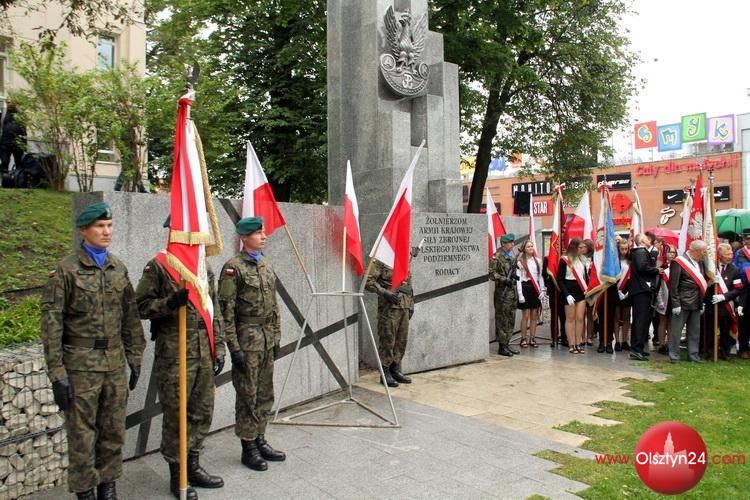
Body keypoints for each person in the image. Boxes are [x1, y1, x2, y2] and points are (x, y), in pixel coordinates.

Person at [40, 202, 145, 500]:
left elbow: (131, 316)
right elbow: (51, 326)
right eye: (100, 226)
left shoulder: (118, 267)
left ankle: (107, 487)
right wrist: (57, 373)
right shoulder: (65, 271)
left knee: (112, 430)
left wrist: (134, 356)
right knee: (82, 435)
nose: (106, 231)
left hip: (113, 364)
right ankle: (85, 492)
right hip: (80, 367)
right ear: (84, 230)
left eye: (109, 225)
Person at [135, 217, 225, 499]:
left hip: (203, 352)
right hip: (175, 355)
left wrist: (219, 346)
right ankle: (178, 474)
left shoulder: (203, 267)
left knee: (202, 411)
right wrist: (169, 305)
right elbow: (140, 306)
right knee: (177, 415)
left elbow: (214, 310)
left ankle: (194, 463)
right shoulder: (160, 265)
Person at [218, 217, 286, 472]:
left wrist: (277, 336)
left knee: (265, 393)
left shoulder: (266, 264)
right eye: (258, 233)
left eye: (263, 232)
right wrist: (234, 348)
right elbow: (226, 311)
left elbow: (275, 306)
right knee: (247, 395)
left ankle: (261, 438)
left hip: (267, 339)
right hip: (247, 341)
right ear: (244, 238)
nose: (263, 236)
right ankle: (248, 447)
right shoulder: (232, 268)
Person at [366, 245, 417, 387]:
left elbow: (408, 285)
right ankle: (385, 371)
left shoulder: (403, 258)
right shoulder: (381, 257)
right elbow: (368, 281)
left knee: (401, 339)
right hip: (388, 308)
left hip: (404, 306)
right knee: (388, 339)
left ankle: (395, 369)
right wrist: (385, 293)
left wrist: (411, 304)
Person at [668, 240, 709, 364]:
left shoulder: (700, 263)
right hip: (682, 302)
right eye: (704, 251)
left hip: (696, 301)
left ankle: (693, 355)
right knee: (676, 331)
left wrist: (701, 302)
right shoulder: (679, 262)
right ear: (696, 251)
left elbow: (700, 284)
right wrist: (675, 303)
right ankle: (674, 356)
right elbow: (673, 285)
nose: (705, 254)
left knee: (694, 331)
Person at [628, 233, 662, 361]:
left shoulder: (641, 252)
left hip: (642, 289)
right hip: (641, 290)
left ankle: (638, 348)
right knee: (640, 320)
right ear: (642, 240)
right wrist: (656, 270)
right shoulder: (641, 252)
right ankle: (636, 349)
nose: (650, 241)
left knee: (642, 320)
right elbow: (643, 267)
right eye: (647, 239)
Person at [710, 243, 744, 360]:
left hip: (726, 306)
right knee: (710, 329)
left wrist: (724, 296)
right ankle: (710, 351)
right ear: (719, 255)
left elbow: (738, 289)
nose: (730, 256)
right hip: (712, 305)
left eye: (731, 254)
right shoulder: (712, 267)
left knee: (725, 330)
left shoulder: (735, 270)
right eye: (727, 254)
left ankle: (725, 352)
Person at [489, 234, 520, 356]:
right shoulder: (496, 258)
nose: (512, 244)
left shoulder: (511, 258)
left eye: (512, 242)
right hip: (502, 294)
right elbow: (491, 274)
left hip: (512, 293)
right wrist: (504, 279)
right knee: (502, 320)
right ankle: (502, 347)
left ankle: (507, 343)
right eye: (509, 242)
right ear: (503, 244)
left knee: (511, 319)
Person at [557, 238, 588, 354]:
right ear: (574, 248)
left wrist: (587, 289)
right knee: (570, 319)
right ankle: (571, 344)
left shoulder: (583, 260)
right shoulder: (564, 260)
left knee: (580, 318)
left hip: (580, 291)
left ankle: (578, 343)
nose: (583, 250)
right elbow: (559, 279)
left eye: (584, 247)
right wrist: (567, 294)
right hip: (569, 291)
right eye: (580, 247)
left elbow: (585, 277)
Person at [516, 239, 545, 348]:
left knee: (534, 315)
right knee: (526, 316)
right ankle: (523, 338)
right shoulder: (520, 261)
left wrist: (542, 290)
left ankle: (532, 338)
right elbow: (518, 279)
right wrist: (520, 294)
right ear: (524, 249)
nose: (531, 248)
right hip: (525, 287)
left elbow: (540, 276)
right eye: (528, 247)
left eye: (532, 246)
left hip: (535, 288)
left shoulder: (537, 261)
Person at [654, 245, 677, 355]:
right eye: (670, 252)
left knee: (672, 323)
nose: (672, 254)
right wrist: (659, 300)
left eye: (674, 252)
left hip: (674, 299)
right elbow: (658, 285)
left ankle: (670, 344)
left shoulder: (678, 267)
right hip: (663, 297)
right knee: (663, 321)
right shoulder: (662, 267)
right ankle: (662, 344)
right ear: (665, 254)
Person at [733, 228, 750, 358]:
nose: (747, 241)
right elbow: (736, 270)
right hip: (744, 291)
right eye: (746, 239)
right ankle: (743, 348)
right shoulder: (739, 253)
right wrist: (738, 287)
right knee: (743, 320)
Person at [0, 101, 26, 173]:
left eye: (10, 103)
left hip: (17, 143)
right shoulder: (4, 113)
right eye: (8, 103)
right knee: (4, 162)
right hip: (5, 143)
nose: (9, 105)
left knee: (19, 163)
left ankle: (18, 179)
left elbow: (24, 130)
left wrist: (24, 144)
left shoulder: (20, 115)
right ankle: (4, 179)